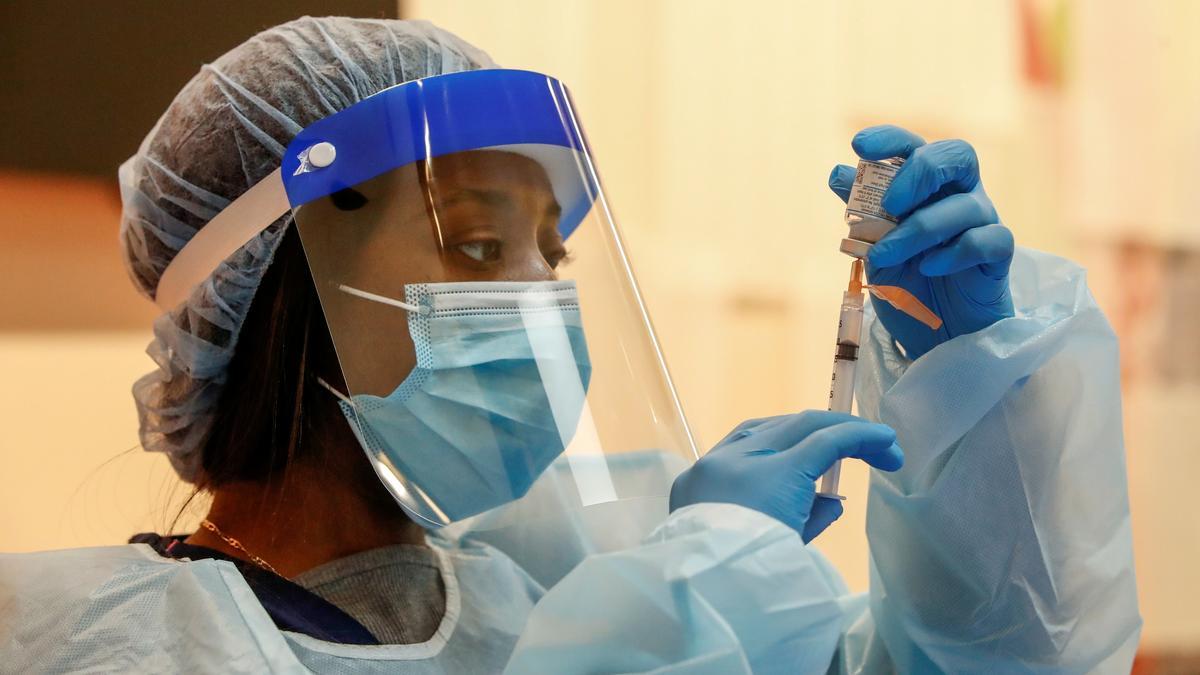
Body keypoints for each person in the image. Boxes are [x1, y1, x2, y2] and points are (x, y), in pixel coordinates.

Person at [0, 16, 1139, 674]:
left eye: (555, 258)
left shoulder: (549, 596)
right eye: (485, 249)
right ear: (285, 288)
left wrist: (975, 378)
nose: (545, 305)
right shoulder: (85, 641)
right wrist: (695, 582)